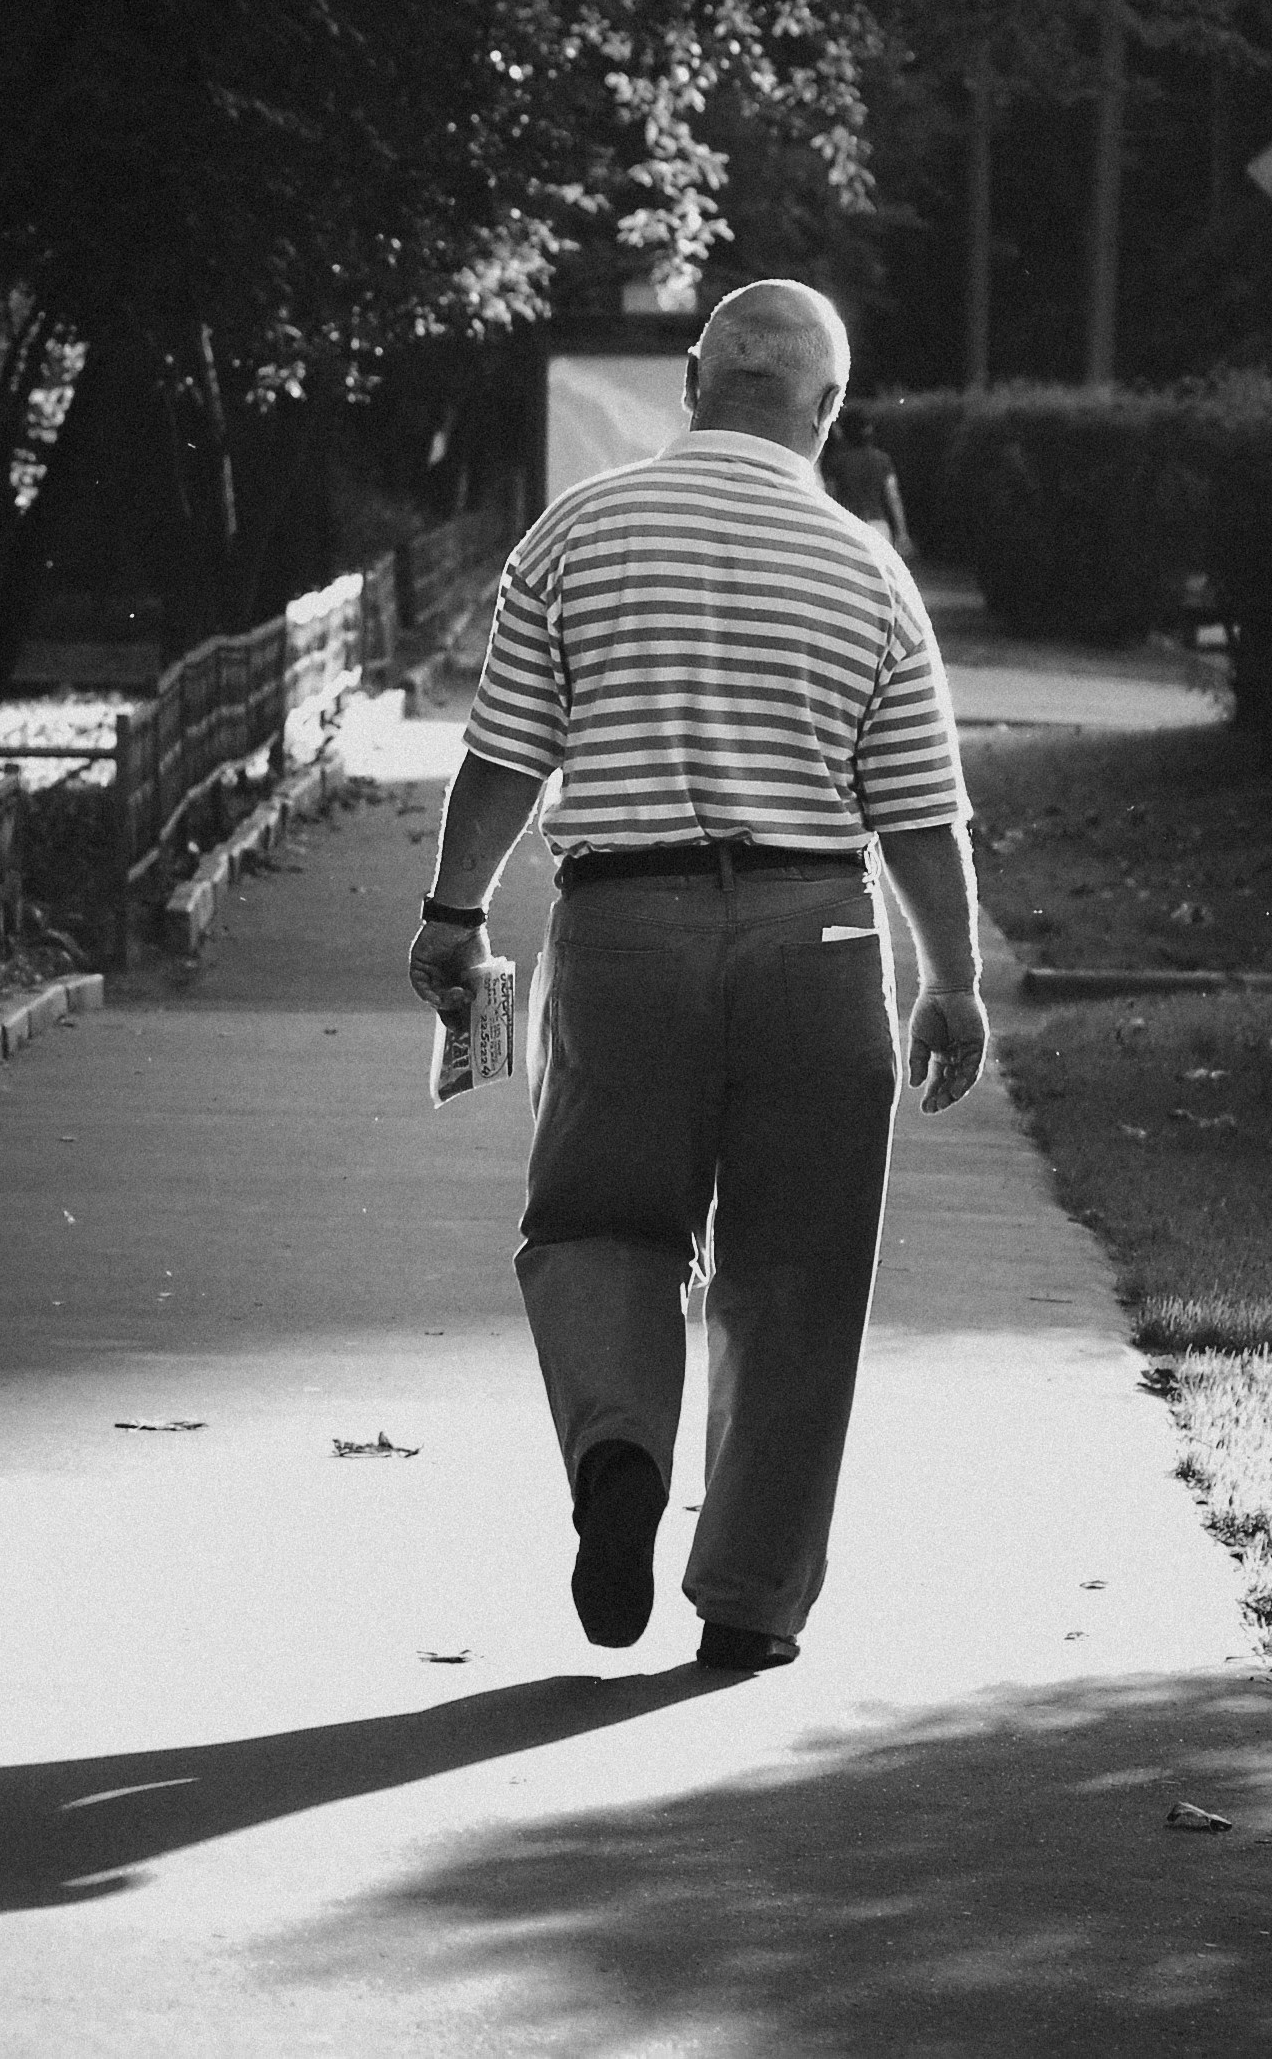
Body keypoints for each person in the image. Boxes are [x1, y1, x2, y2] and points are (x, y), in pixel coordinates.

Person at [405, 279, 986, 1675]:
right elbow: (918, 809)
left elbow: (503, 757)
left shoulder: (579, 533)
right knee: (798, 1274)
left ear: (690, 377)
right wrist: (952, 979)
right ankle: (750, 1601)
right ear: (828, 411)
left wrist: (452, 913)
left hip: (622, 929)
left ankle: (617, 1453)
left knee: (599, 1222)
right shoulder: (865, 570)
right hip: (821, 938)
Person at [821, 411, 915, 560]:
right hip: (879, 526)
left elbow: (830, 497)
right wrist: (902, 532)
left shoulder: (838, 462)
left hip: (848, 525)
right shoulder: (883, 460)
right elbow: (893, 496)